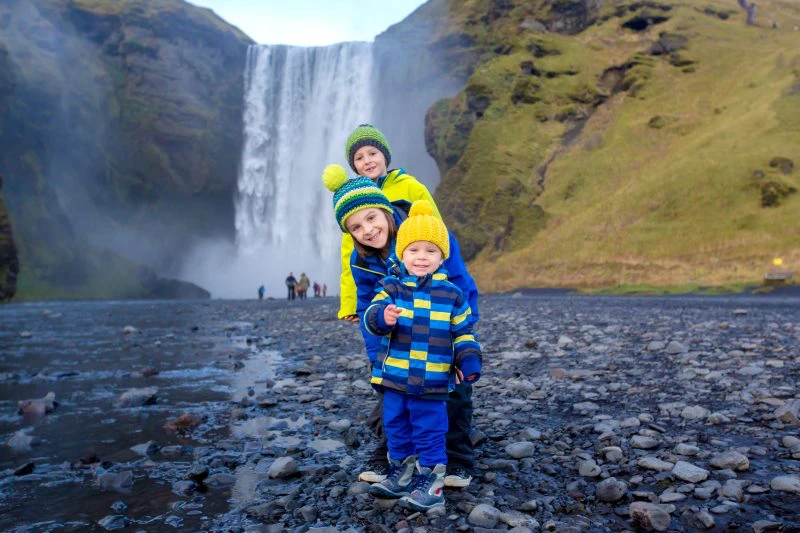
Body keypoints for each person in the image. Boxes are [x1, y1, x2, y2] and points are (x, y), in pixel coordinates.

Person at [323, 165, 479, 489]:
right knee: (391, 391)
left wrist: (461, 342)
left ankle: (458, 458)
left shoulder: (427, 234)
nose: (367, 230)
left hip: (440, 329)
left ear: (384, 209)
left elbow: (461, 285)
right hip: (398, 338)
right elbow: (366, 306)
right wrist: (376, 357)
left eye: (371, 218)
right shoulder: (360, 260)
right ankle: (392, 457)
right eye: (355, 227)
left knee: (455, 391)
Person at [363, 200, 482, 511]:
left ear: (442, 257)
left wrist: (469, 360)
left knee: (430, 430)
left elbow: (463, 332)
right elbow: (370, 318)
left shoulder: (452, 295)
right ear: (402, 254)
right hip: (395, 378)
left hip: (432, 380)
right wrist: (382, 317)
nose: (421, 257)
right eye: (413, 250)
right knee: (396, 427)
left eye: (431, 251)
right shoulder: (391, 288)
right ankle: (400, 474)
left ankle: (432, 482)